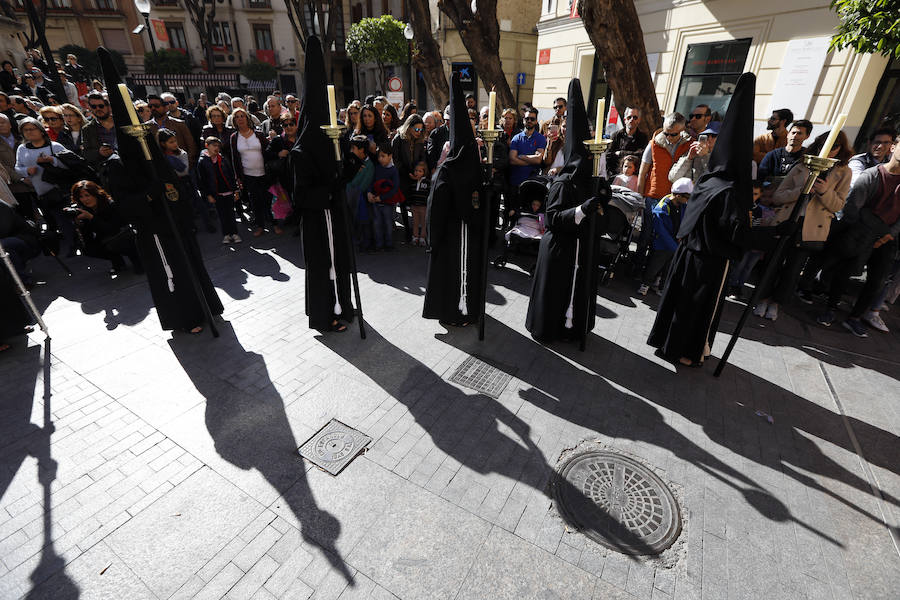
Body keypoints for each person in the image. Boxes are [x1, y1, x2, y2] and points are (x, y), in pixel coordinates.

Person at [97, 48, 223, 334]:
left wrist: (183, 214)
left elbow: (174, 186)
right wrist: (150, 194)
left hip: (176, 225)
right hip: (154, 230)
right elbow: (127, 206)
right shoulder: (118, 165)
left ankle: (207, 307)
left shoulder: (151, 151)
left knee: (193, 268)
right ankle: (186, 317)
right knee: (173, 274)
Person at [647, 72, 756, 368]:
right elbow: (735, 232)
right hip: (709, 259)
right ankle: (688, 350)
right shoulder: (729, 187)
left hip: (691, 253)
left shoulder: (711, 179)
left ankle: (672, 344)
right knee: (697, 308)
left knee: (684, 303)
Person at [526, 78, 609, 343]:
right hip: (561, 248)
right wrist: (581, 210)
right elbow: (553, 218)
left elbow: (600, 214)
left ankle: (575, 329)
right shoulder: (563, 182)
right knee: (556, 292)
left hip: (582, 248)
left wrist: (601, 199)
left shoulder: (592, 182)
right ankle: (549, 328)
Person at [291, 36, 355, 332]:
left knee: (340, 261)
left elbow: (340, 179)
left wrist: (350, 164)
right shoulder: (301, 152)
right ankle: (323, 314)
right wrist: (329, 191)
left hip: (335, 216)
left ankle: (344, 305)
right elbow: (301, 196)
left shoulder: (334, 144)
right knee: (321, 266)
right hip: (317, 220)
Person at [752, 130, 851, 321]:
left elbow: (838, 205)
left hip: (811, 228)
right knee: (771, 262)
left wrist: (823, 191)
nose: (829, 150)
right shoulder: (802, 165)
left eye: (834, 147)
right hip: (787, 221)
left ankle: (776, 303)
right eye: (824, 145)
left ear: (841, 149)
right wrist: (802, 190)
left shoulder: (843, 172)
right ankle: (762, 297)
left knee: (793, 269)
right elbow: (779, 196)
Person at [816, 132, 900, 337]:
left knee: (878, 281)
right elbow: (853, 207)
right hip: (861, 232)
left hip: (886, 238)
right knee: (845, 272)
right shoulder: (872, 175)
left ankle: (855, 317)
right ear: (894, 147)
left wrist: (888, 235)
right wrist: (872, 232)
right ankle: (830, 309)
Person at [423, 72, 485, 327]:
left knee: (464, 271)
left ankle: (465, 307)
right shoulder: (447, 171)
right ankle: (453, 311)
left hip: (464, 234)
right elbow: (436, 207)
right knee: (453, 273)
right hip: (452, 234)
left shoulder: (462, 168)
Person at [635, 112, 691, 264]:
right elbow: (643, 172)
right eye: (666, 133)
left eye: (673, 134)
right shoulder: (654, 143)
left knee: (665, 236)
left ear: (682, 130)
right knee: (646, 233)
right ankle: (637, 265)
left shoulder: (689, 145)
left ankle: (652, 270)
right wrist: (640, 197)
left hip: (675, 199)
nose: (669, 137)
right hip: (653, 195)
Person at [14, 117, 73, 252]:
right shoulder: (22, 149)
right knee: (56, 220)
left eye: (32, 129)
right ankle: (67, 245)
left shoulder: (55, 146)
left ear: (41, 130)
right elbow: (17, 167)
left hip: (61, 189)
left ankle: (77, 244)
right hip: (42, 192)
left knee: (67, 218)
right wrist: (26, 171)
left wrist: (52, 160)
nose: (29, 132)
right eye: (25, 130)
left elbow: (70, 163)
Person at [68, 179, 142, 275]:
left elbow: (111, 228)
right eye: (81, 197)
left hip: (125, 234)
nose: (85, 199)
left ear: (95, 193)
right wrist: (79, 224)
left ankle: (137, 260)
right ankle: (117, 262)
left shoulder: (110, 204)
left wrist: (91, 217)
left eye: (87, 195)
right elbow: (87, 239)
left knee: (117, 241)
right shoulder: (84, 210)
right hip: (106, 237)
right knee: (88, 248)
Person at [638, 177, 692, 296]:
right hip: (662, 244)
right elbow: (661, 231)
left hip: (674, 242)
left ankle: (661, 286)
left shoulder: (682, 206)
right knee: (655, 265)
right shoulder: (661, 208)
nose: (687, 200)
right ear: (678, 195)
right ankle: (645, 284)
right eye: (687, 197)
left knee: (668, 267)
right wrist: (675, 246)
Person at [229, 107, 270, 236]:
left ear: (247, 118)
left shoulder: (258, 134)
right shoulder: (234, 137)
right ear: (234, 121)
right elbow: (234, 159)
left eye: (242, 116)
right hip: (248, 175)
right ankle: (260, 226)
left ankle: (273, 223)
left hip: (264, 172)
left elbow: (268, 150)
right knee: (255, 200)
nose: (240, 119)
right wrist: (238, 179)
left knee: (267, 198)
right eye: (237, 117)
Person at [197, 136, 240, 244]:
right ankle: (226, 234)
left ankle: (234, 233)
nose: (216, 148)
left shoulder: (223, 159)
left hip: (228, 191)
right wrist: (208, 195)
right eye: (214, 145)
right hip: (216, 193)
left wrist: (236, 190)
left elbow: (230, 175)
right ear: (207, 146)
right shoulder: (202, 162)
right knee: (221, 214)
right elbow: (202, 181)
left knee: (231, 213)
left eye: (218, 146)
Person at [392, 114, 426, 243]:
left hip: (416, 174)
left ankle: (416, 231)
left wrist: (419, 171)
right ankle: (407, 230)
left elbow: (422, 157)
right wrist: (407, 173)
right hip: (402, 175)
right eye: (416, 129)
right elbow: (395, 159)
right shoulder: (399, 138)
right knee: (403, 202)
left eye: (421, 129)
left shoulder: (420, 140)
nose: (419, 132)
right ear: (409, 128)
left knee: (416, 203)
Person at [264, 113, 299, 234]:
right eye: (285, 125)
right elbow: (266, 154)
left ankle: (299, 223)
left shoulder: (301, 138)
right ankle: (294, 221)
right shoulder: (278, 140)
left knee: (299, 200)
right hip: (285, 177)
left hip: (300, 175)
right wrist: (278, 154)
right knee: (290, 200)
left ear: (296, 125)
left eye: (291, 124)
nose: (288, 127)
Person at [508, 107, 546, 212]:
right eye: (527, 118)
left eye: (532, 119)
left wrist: (521, 156)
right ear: (523, 120)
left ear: (536, 121)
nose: (529, 121)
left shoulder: (540, 138)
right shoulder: (516, 138)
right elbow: (512, 159)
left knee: (527, 213)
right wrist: (530, 160)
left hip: (531, 183)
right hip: (515, 181)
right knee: (512, 212)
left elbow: (538, 160)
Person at [146, 94, 198, 169]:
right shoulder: (146, 127)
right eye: (150, 106)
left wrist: (187, 165)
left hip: (182, 168)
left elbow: (191, 147)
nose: (153, 108)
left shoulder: (179, 124)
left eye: (156, 106)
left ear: (165, 107)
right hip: (160, 170)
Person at [368, 143, 403, 251]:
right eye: (379, 156)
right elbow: (371, 182)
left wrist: (382, 198)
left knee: (388, 223)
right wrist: (369, 193)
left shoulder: (393, 170)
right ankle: (379, 244)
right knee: (376, 223)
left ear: (390, 156)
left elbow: (395, 188)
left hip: (388, 202)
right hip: (376, 201)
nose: (380, 159)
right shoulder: (377, 168)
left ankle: (388, 244)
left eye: (383, 156)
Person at [605, 106, 648, 178]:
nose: (632, 120)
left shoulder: (643, 138)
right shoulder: (616, 136)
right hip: (615, 175)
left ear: (639, 120)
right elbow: (608, 155)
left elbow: (641, 155)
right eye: (629, 117)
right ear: (625, 120)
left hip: (633, 178)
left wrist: (621, 153)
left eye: (635, 118)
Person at [81, 92, 117, 168]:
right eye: (94, 107)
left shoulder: (122, 122)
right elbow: (86, 154)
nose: (98, 109)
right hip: (106, 169)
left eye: (101, 106)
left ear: (108, 106)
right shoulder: (87, 129)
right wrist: (99, 152)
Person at [409, 161, 429, 246]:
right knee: (415, 222)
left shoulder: (427, 182)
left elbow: (429, 194)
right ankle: (415, 237)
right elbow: (411, 194)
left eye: (420, 171)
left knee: (424, 223)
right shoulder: (413, 182)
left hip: (423, 206)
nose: (417, 172)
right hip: (414, 206)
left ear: (424, 172)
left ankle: (422, 238)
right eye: (416, 170)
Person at [426, 105, 450, 171]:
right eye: (446, 120)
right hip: (440, 168)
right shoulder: (436, 133)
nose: (448, 122)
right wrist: (433, 168)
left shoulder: (460, 132)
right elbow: (431, 153)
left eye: (450, 120)